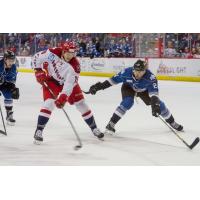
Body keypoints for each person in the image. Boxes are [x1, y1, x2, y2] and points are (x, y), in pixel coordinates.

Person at [32, 41, 104, 144]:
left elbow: (69, 85)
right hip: (52, 81)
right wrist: (38, 70)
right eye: (68, 53)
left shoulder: (75, 66)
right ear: (63, 51)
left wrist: (63, 98)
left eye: (73, 53)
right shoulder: (52, 52)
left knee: (81, 104)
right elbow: (36, 57)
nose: (71, 56)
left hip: (68, 84)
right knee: (49, 103)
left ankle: (94, 128)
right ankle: (39, 131)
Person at [88, 59, 183, 134]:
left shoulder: (151, 78)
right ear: (133, 69)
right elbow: (111, 81)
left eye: (140, 72)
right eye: (135, 71)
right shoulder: (126, 72)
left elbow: (154, 95)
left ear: (145, 71)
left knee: (160, 105)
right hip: (128, 87)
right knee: (127, 102)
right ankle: (111, 124)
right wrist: (98, 87)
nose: (137, 74)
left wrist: (155, 106)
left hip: (143, 90)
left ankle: (172, 122)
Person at [0, 50, 19, 125]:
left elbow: (12, 79)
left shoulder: (14, 67)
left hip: (4, 83)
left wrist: (12, 86)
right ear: (5, 59)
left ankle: (9, 115)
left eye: (13, 60)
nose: (11, 62)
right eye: (10, 60)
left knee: (9, 95)